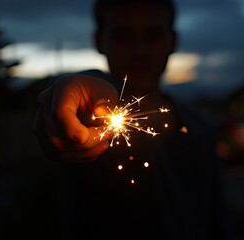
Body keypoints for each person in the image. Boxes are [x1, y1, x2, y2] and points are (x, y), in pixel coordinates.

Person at [34, 0, 228, 239]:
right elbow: (86, 87)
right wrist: (73, 96)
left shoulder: (199, 129)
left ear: (173, 41)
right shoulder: (90, 118)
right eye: (123, 36)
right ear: (98, 42)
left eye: (153, 35)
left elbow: (216, 220)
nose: (140, 50)